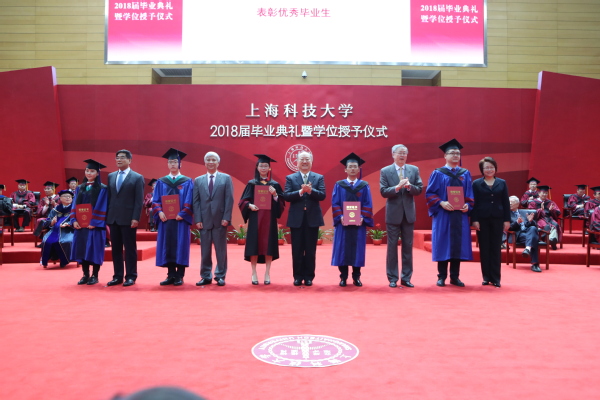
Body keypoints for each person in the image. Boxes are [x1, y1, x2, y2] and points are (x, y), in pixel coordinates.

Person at [425, 139, 474, 287]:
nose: (455, 155)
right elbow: (430, 193)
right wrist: (441, 202)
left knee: (457, 244)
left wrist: (467, 205)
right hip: (443, 214)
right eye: (452, 153)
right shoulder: (438, 173)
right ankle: (441, 276)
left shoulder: (465, 173)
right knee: (443, 243)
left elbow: (470, 194)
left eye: (457, 153)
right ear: (445, 156)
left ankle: (455, 277)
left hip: (460, 215)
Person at [379, 144, 423, 288]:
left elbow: (419, 189)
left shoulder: (413, 170)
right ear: (393, 154)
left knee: (408, 246)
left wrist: (409, 186)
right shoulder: (385, 171)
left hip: (408, 214)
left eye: (404, 153)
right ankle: (392, 278)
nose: (402, 155)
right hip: (393, 214)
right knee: (392, 247)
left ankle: (406, 278)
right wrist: (397, 187)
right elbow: (383, 191)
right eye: (399, 153)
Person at [281, 151, 326, 286]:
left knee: (310, 250)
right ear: (297, 162)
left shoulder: (318, 177)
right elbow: (286, 196)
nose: (305, 162)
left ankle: (309, 277)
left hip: (312, 218)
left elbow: (322, 195)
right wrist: (301, 192)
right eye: (302, 159)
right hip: (296, 219)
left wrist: (311, 191)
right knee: (297, 249)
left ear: (311, 162)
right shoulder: (291, 178)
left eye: (307, 159)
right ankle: (297, 276)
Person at [238, 154, 285, 285]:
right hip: (255, 218)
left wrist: (275, 195)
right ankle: (254, 273)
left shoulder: (274, 185)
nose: (263, 168)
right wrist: (249, 205)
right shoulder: (251, 184)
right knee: (254, 245)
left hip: (269, 219)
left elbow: (281, 203)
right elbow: (242, 201)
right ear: (257, 167)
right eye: (261, 166)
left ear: (269, 168)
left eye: (266, 166)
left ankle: (267, 273)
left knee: (269, 245)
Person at [152, 149, 194, 286]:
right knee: (168, 244)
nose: (172, 164)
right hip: (166, 220)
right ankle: (170, 275)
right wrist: (159, 212)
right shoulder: (161, 182)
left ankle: (180, 275)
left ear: (180, 164)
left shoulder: (187, 181)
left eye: (175, 162)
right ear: (167, 164)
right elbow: (155, 200)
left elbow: (190, 200)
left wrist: (183, 213)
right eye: (170, 162)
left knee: (180, 245)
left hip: (180, 220)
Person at [331, 153, 374, 287]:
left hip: (358, 224)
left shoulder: (364, 185)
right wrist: (340, 216)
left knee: (357, 250)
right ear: (345, 169)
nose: (353, 169)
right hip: (343, 224)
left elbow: (368, 203)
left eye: (355, 166)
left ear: (359, 169)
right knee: (342, 249)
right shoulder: (339, 185)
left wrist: (362, 217)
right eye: (350, 166)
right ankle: (343, 277)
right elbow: (335, 203)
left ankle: (356, 277)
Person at [192, 151, 234, 286]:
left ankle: (220, 275)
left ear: (218, 163)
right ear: (205, 163)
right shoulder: (198, 180)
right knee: (205, 251)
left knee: (221, 251)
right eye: (208, 160)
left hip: (220, 220)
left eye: (213, 160)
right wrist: (198, 219)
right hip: (204, 220)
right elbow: (196, 201)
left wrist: (226, 217)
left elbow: (229, 199)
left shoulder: (226, 178)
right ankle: (205, 276)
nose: (211, 162)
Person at [106, 149, 145, 287]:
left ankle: (131, 276)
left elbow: (139, 200)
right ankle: (117, 276)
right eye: (117, 157)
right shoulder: (111, 176)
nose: (119, 160)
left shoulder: (137, 177)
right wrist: (107, 216)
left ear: (129, 160)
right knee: (115, 249)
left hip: (129, 219)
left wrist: (136, 218)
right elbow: (110, 198)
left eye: (122, 157)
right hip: (113, 218)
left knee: (130, 248)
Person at [471, 157, 511, 287]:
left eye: (491, 167)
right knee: (484, 248)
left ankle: (496, 278)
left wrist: (507, 220)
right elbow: (474, 203)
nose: (489, 169)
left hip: (498, 219)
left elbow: (506, 202)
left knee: (496, 248)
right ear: (482, 170)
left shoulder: (502, 183)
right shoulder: (476, 184)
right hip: (482, 219)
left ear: (495, 168)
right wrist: (474, 220)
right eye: (486, 167)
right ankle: (486, 277)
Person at [70, 159, 108, 285]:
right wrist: (74, 220)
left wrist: (95, 222)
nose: (89, 173)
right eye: (87, 171)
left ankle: (95, 275)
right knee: (82, 248)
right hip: (81, 225)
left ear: (97, 173)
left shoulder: (103, 188)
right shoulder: (79, 188)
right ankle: (85, 274)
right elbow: (74, 205)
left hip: (95, 226)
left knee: (94, 249)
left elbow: (102, 205)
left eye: (92, 171)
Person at [40, 190, 74, 268]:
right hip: (54, 230)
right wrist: (51, 222)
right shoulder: (55, 210)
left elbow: (78, 220)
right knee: (45, 240)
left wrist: (68, 224)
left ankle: (64, 261)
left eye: (69, 196)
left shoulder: (74, 209)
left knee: (67, 241)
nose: (68, 198)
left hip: (69, 231)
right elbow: (47, 221)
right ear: (60, 198)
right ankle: (46, 260)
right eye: (65, 196)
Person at [508, 196, 542, 272]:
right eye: (509, 202)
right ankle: (535, 264)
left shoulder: (524, 212)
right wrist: (517, 223)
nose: (510, 203)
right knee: (534, 239)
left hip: (528, 232)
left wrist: (530, 221)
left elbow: (535, 226)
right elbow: (508, 228)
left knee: (532, 228)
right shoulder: (507, 214)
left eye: (512, 202)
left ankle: (527, 248)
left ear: (517, 204)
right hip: (518, 234)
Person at [528, 185, 561, 250]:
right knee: (546, 226)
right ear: (539, 193)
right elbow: (531, 213)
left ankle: (552, 240)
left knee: (556, 225)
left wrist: (552, 210)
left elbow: (558, 212)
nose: (544, 194)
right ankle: (551, 241)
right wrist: (540, 210)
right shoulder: (533, 202)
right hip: (539, 219)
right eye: (543, 193)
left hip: (549, 218)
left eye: (546, 193)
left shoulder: (550, 202)